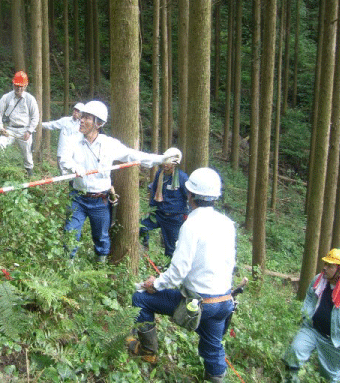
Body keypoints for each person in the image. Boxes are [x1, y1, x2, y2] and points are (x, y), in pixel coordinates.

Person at [129, 167, 235, 382]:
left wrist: (155, 284)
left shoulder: (191, 225)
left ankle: (148, 352)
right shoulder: (226, 223)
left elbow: (178, 272)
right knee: (213, 347)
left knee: (140, 298)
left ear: (190, 195)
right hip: (223, 300)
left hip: (198, 303)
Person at [59, 101, 178, 263]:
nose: (81, 120)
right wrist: (74, 167)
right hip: (77, 197)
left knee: (101, 236)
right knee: (70, 232)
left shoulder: (109, 144)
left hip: (100, 200)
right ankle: (67, 268)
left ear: (98, 123)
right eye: (82, 116)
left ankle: (99, 269)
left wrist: (161, 159)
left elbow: (134, 155)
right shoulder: (73, 140)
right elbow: (64, 159)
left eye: (87, 118)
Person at [284, 249, 340, 383]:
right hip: (312, 329)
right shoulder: (318, 280)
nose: (325, 268)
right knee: (295, 352)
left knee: (331, 377)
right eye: (326, 264)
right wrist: (306, 316)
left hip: (336, 342)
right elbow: (309, 299)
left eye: (330, 266)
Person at [139, 147, 189, 257]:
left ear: (175, 164)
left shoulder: (182, 178)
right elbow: (154, 191)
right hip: (158, 214)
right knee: (141, 226)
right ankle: (144, 246)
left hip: (174, 219)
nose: (165, 165)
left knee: (171, 249)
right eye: (165, 163)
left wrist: (186, 216)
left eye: (169, 163)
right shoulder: (159, 174)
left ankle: (168, 270)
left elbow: (188, 197)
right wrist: (151, 209)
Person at [0, 71, 40, 177]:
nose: (19, 89)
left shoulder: (30, 99)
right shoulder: (6, 97)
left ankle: (30, 173)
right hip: (10, 129)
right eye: (17, 86)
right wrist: (1, 128)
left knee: (27, 154)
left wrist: (29, 131)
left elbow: (35, 117)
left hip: (24, 130)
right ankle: (1, 168)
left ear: (25, 86)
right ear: (13, 84)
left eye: (21, 86)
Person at [41, 102, 84, 173]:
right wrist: (39, 125)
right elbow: (52, 125)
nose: (75, 112)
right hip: (63, 153)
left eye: (78, 111)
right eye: (75, 110)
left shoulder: (82, 126)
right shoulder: (65, 120)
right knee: (63, 174)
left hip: (75, 156)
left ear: (81, 114)